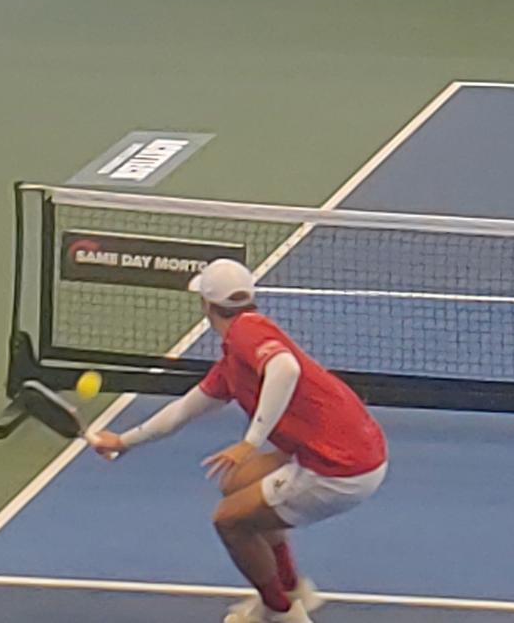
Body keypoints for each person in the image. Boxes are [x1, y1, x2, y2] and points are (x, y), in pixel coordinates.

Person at [92, 259, 388, 623]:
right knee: (236, 483)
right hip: (352, 447)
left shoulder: (247, 333)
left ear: (206, 305)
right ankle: (292, 586)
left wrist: (250, 442)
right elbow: (183, 412)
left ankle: (281, 613)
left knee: (229, 521)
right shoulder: (237, 356)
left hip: (341, 469)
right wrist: (123, 441)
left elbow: (285, 369)